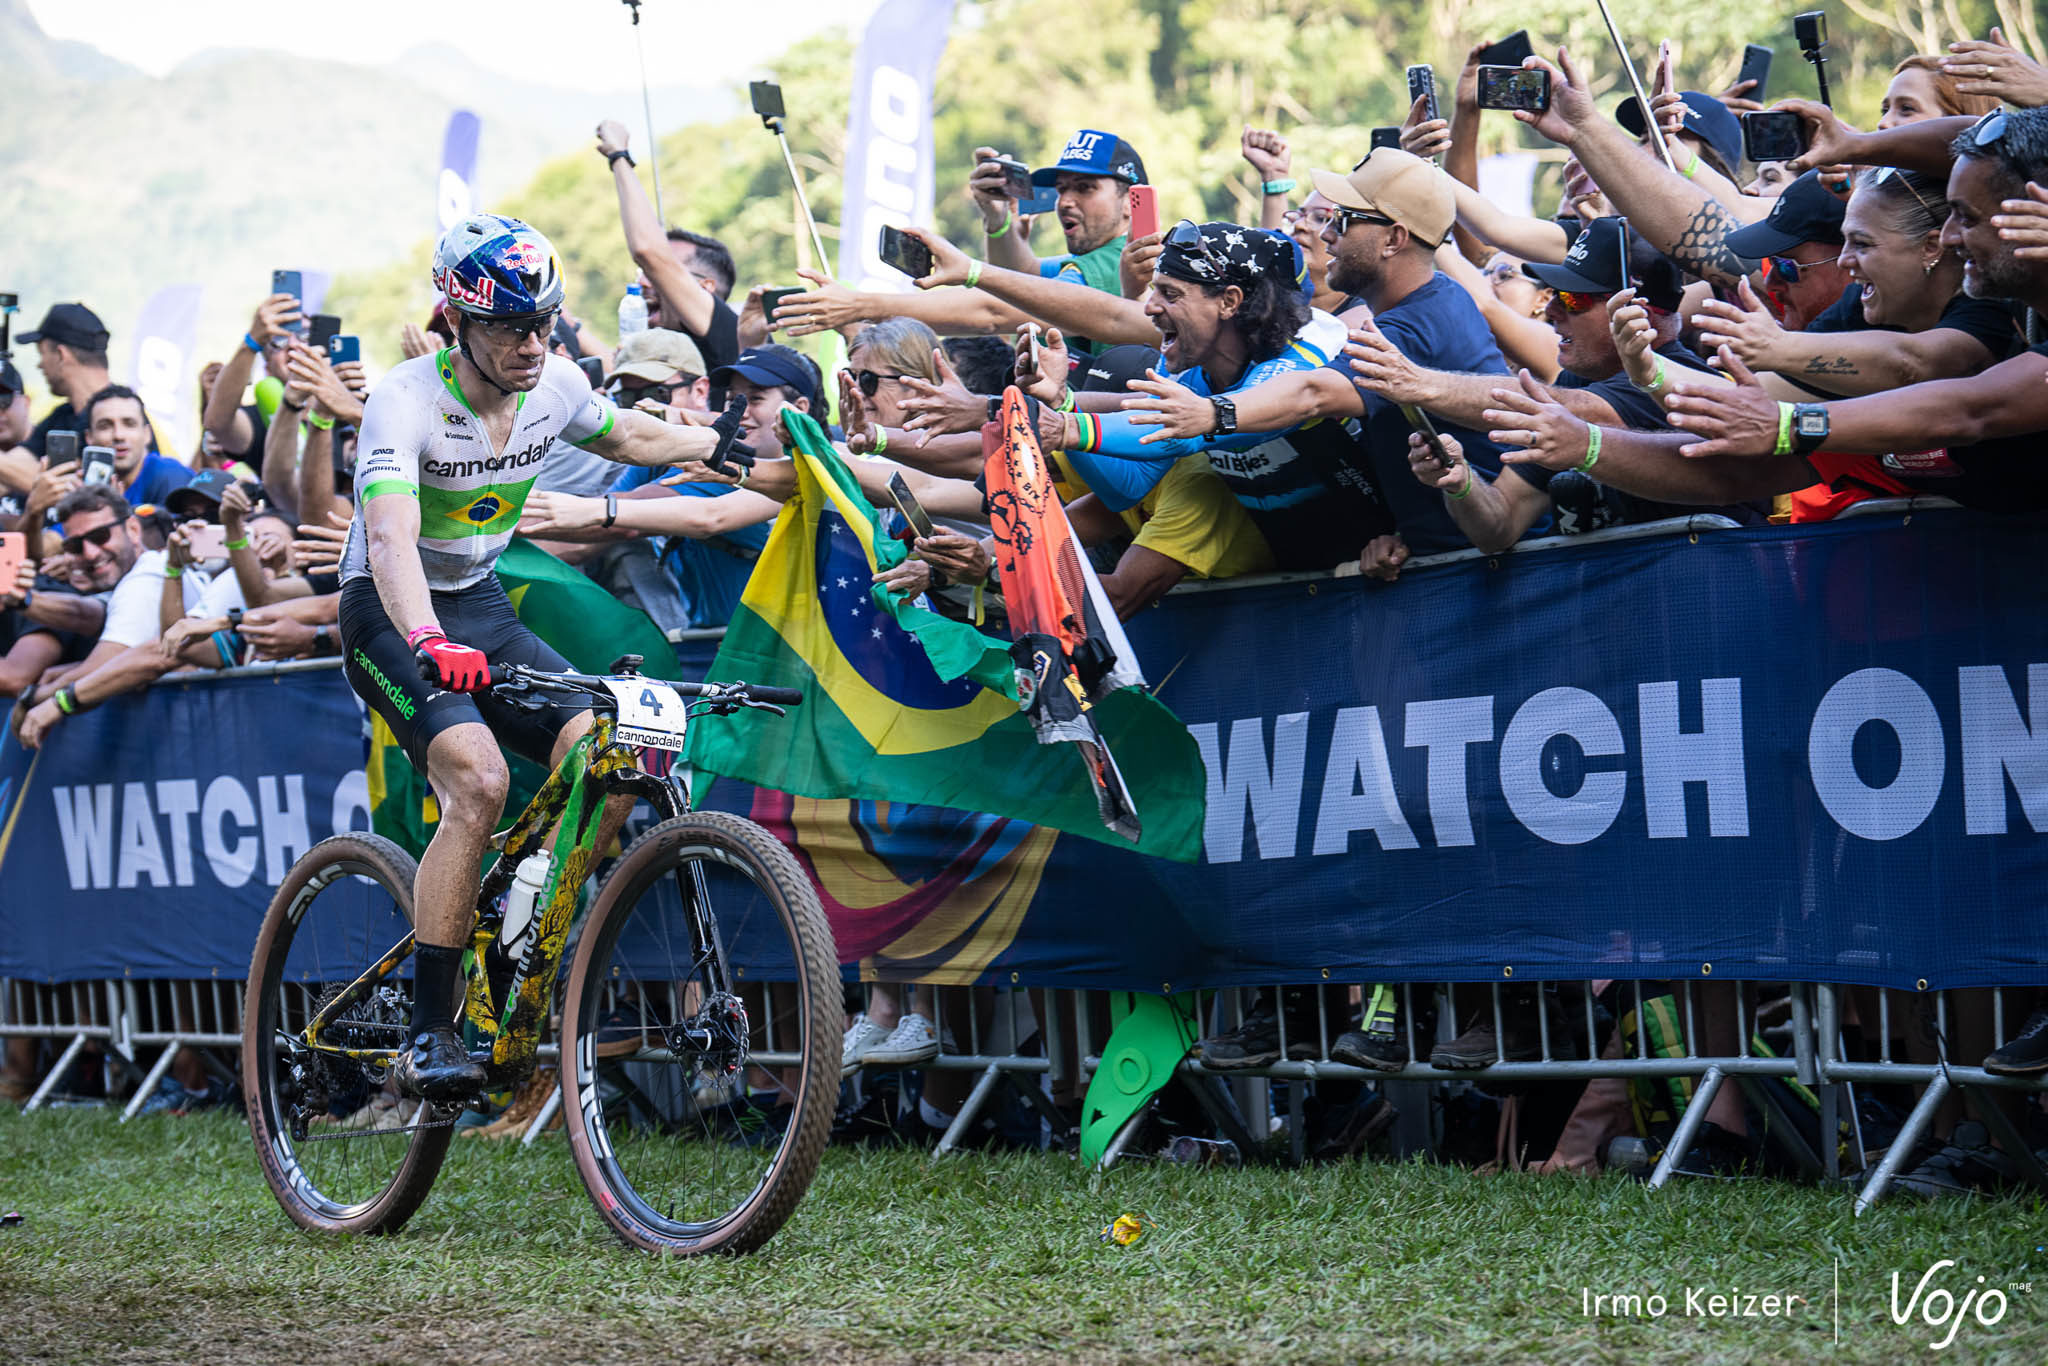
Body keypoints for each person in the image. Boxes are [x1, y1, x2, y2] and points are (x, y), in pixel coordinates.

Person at [338, 213, 737, 1100]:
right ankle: (431, 1030)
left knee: (608, 751)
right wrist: (425, 640)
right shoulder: (404, 400)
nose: (534, 342)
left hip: (477, 600)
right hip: (390, 611)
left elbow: (630, 438)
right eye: (512, 326)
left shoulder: (553, 382)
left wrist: (720, 444)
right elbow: (391, 537)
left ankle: (527, 922)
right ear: (456, 324)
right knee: (476, 780)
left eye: (546, 322)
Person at [1147, 150, 1528, 565]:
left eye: (1342, 221)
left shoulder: (1422, 318)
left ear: (1394, 240)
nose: (1327, 234)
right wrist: (1401, 536)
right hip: (1449, 566)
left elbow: (1314, 392)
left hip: (1499, 572)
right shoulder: (1420, 305)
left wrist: (1212, 413)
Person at [595, 120, 740, 377]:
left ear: (706, 289)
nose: (643, 281)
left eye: (663, 272)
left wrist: (618, 155)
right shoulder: (657, 351)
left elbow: (648, 252)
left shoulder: (728, 332)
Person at [19, 303, 115, 459]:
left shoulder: (121, 417)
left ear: (61, 354)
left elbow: (33, 475)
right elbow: (21, 462)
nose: (40, 365)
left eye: (42, 353)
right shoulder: (62, 416)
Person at [80, 386, 190, 506]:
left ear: (147, 434)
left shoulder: (170, 474)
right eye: (105, 426)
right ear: (89, 437)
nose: (118, 435)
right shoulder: (80, 486)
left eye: (129, 424)